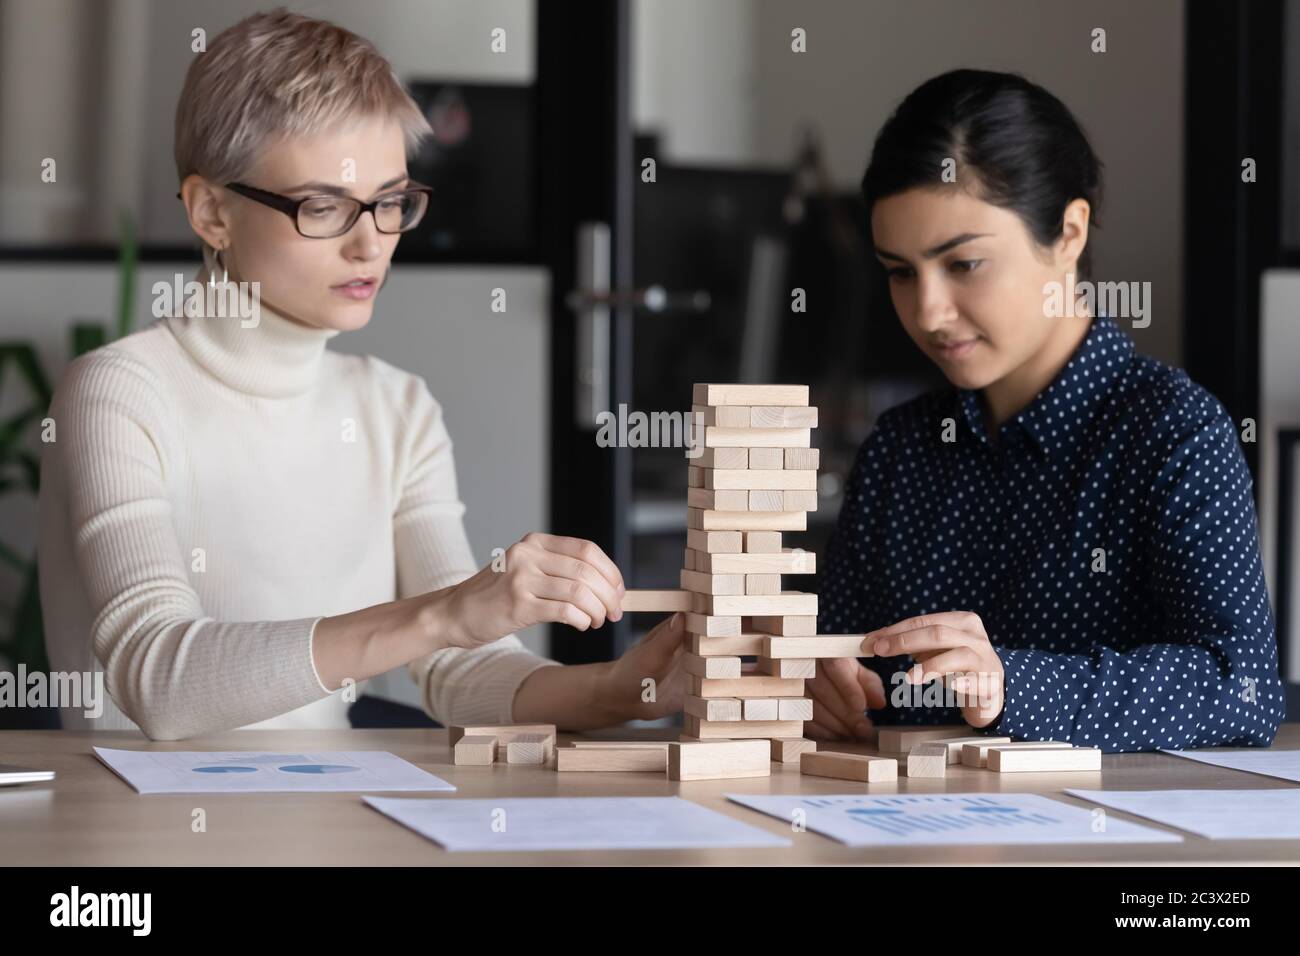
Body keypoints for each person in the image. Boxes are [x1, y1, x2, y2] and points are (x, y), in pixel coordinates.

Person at [39, 10, 684, 741]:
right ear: (212, 212)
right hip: (139, 835)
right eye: (323, 207)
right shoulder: (119, 392)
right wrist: (444, 612)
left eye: (389, 202)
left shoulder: (395, 407)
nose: (370, 244)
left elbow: (461, 672)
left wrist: (626, 688)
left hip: (326, 822)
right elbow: (159, 679)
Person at [808, 68, 1283, 752]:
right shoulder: (901, 446)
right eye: (900, 271)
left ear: (1069, 232)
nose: (929, 312)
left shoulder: (1174, 431)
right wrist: (819, 687)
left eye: (963, 263)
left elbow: (1241, 687)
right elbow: (837, 661)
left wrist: (1011, 686)